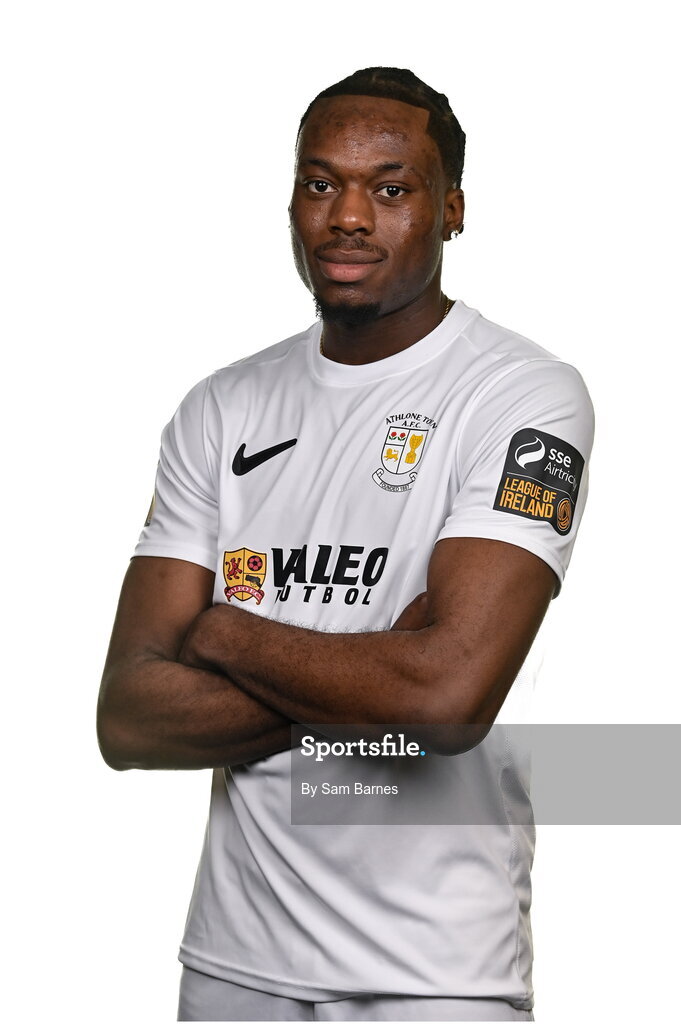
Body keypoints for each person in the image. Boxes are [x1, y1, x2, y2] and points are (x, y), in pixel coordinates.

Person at [97, 67, 594, 1022]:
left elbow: (446, 702)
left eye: (391, 187)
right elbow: (127, 718)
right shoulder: (222, 407)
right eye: (321, 184)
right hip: (232, 968)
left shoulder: (522, 396)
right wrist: (377, 670)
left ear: (451, 209)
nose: (349, 216)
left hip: (433, 976)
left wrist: (221, 634)